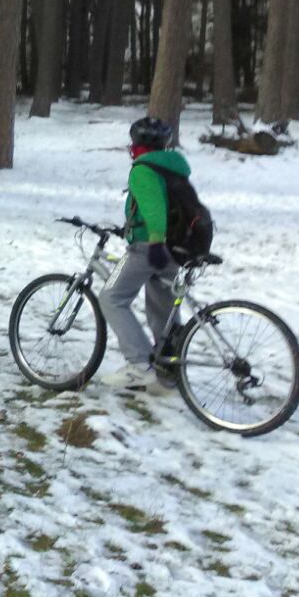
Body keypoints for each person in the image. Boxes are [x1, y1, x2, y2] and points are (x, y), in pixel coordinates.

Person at [97, 116, 188, 392]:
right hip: (176, 247)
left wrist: (155, 242)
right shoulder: (171, 166)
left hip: (150, 247)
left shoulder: (143, 170)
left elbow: (155, 211)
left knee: (111, 298)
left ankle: (138, 365)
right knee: (162, 310)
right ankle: (168, 371)